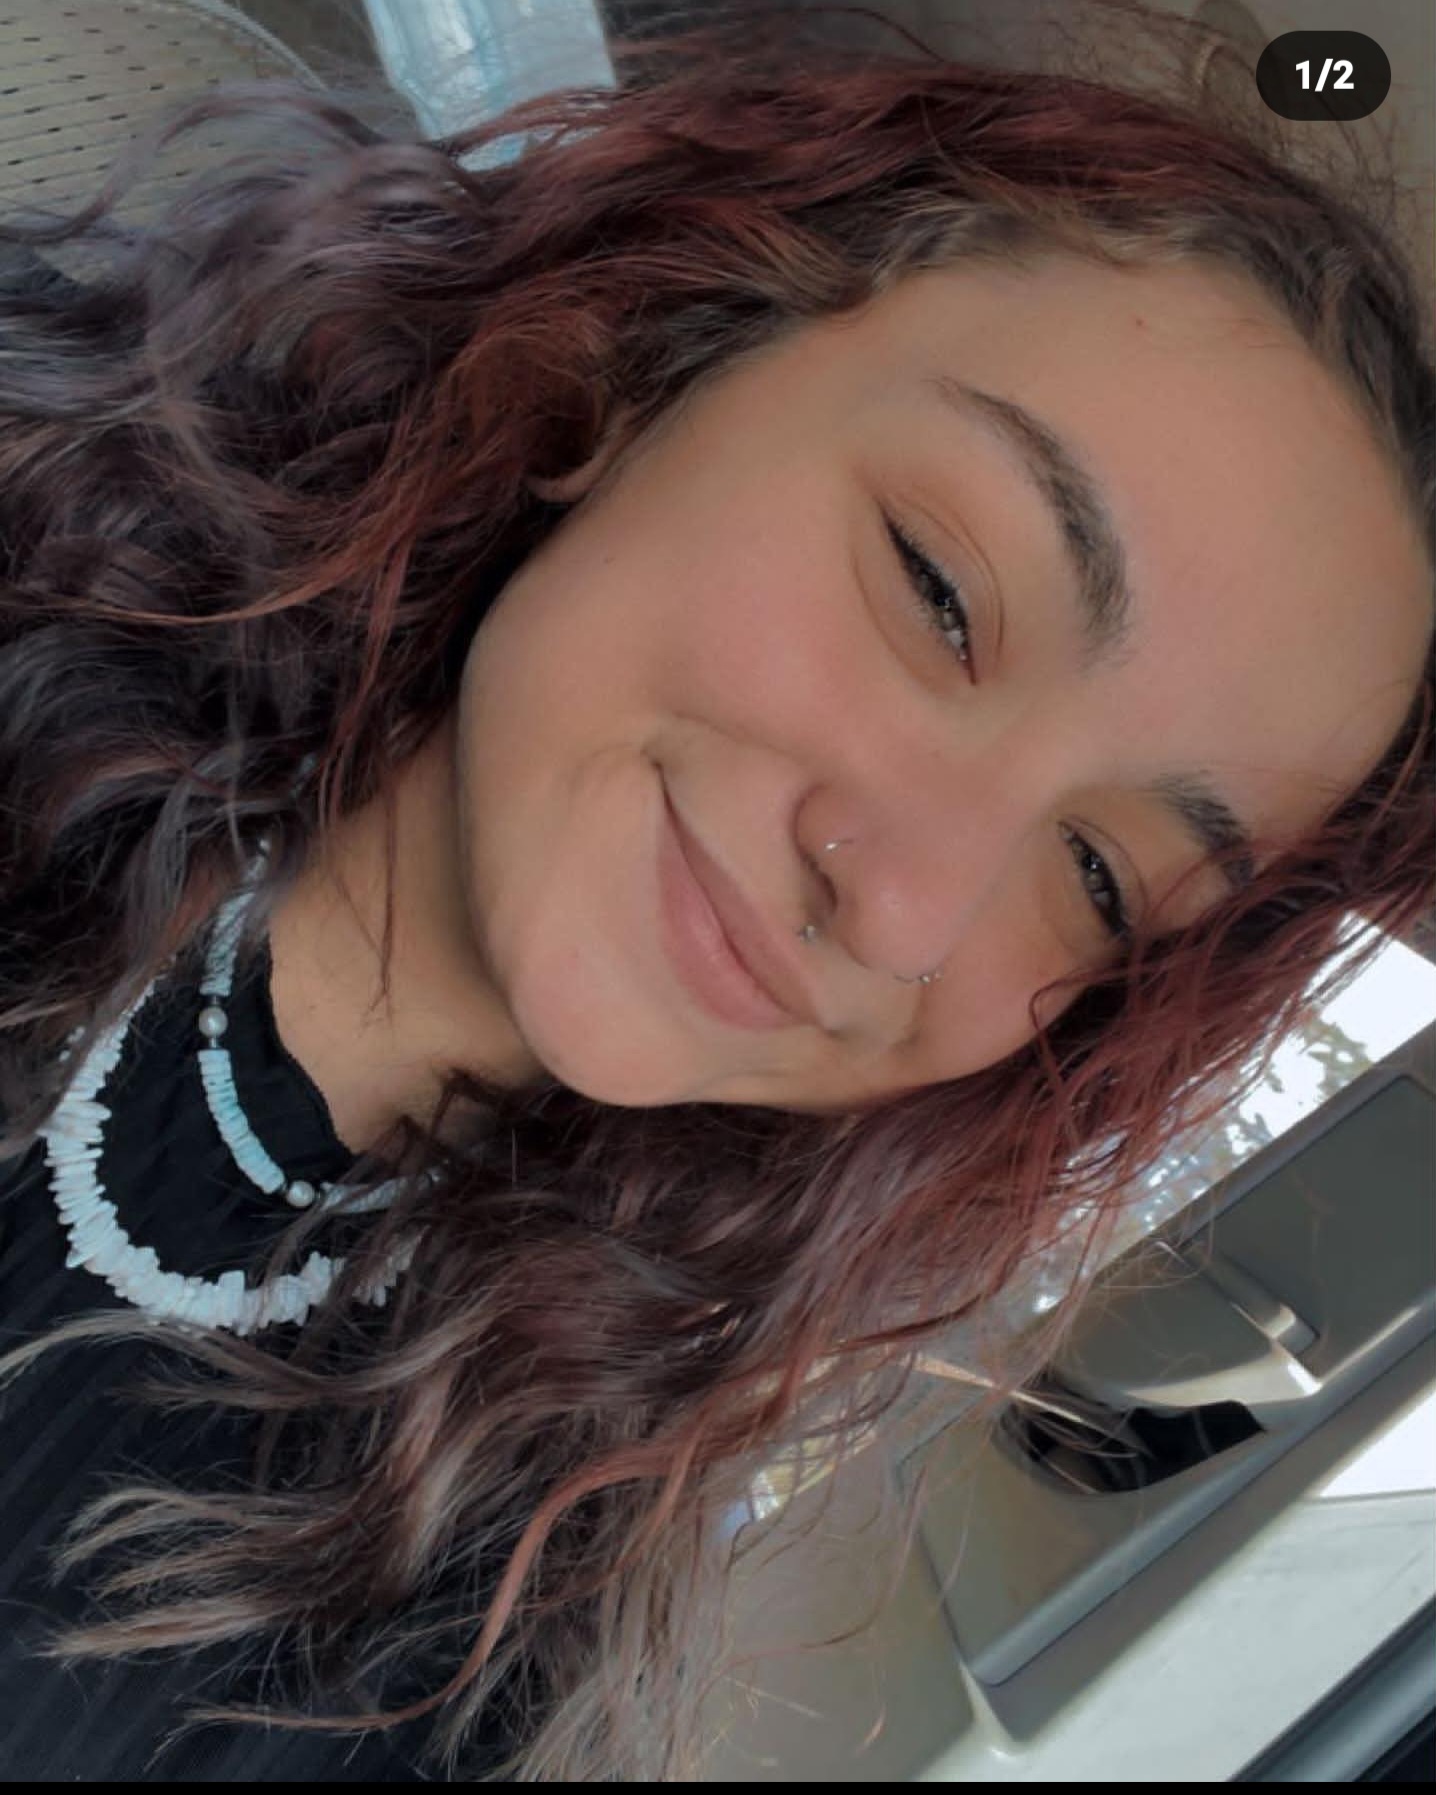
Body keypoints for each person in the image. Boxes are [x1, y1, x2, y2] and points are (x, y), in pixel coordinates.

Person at [0, 3, 1431, 1781]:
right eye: (941, 593)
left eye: (1097, 876)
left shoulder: (441, 1627)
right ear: (652, 359)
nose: (906, 909)